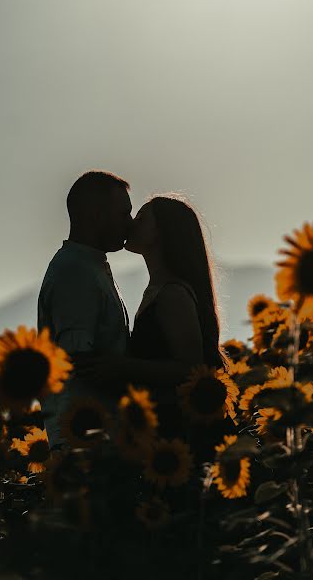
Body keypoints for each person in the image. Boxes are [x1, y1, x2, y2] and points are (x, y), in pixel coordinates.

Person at [79, 193, 232, 461]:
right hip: (168, 434)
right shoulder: (158, 289)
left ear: (162, 232)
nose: (131, 224)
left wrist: (120, 366)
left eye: (141, 218)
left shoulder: (172, 294)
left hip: (185, 439)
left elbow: (189, 368)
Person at [37, 170, 133, 450]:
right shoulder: (75, 272)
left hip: (98, 439)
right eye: (123, 214)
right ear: (96, 215)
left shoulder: (90, 265)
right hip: (86, 444)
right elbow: (80, 363)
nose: (129, 224)